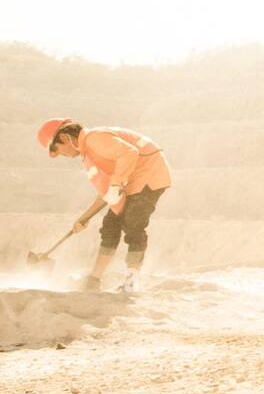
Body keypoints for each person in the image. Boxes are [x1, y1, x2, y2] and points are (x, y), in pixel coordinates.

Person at [36, 118, 171, 293]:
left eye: (57, 149)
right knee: (110, 226)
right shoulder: (89, 154)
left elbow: (129, 153)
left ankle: (131, 284)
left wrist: (116, 185)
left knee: (133, 225)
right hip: (131, 181)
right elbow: (106, 192)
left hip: (149, 177)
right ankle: (94, 279)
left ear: (64, 137)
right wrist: (83, 219)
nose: (61, 154)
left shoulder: (94, 138)